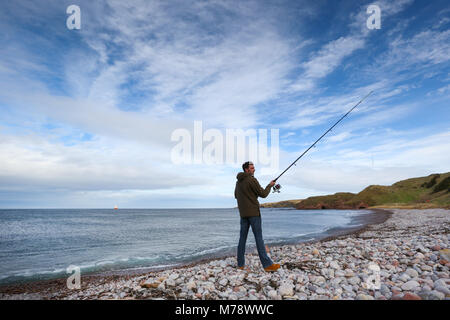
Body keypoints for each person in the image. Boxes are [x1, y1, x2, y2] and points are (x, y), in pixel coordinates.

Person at [234, 161, 280, 272]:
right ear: (246, 170)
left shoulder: (238, 182)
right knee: (259, 239)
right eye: (252, 168)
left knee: (242, 239)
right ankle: (267, 265)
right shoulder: (252, 179)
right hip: (254, 214)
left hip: (243, 214)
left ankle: (240, 264)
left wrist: (248, 195)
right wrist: (270, 185)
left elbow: (236, 195)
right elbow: (263, 194)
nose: (254, 169)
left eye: (254, 167)